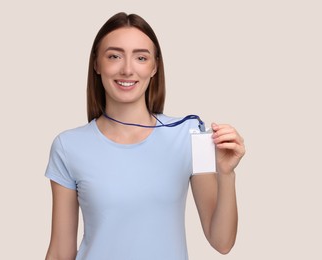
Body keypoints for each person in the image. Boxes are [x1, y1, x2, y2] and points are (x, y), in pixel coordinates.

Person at [44, 12, 245, 260]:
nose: (127, 69)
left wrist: (226, 174)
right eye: (114, 56)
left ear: (154, 67)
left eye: (141, 57)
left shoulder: (189, 135)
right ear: (97, 64)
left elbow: (222, 242)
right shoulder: (68, 146)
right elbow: (61, 252)